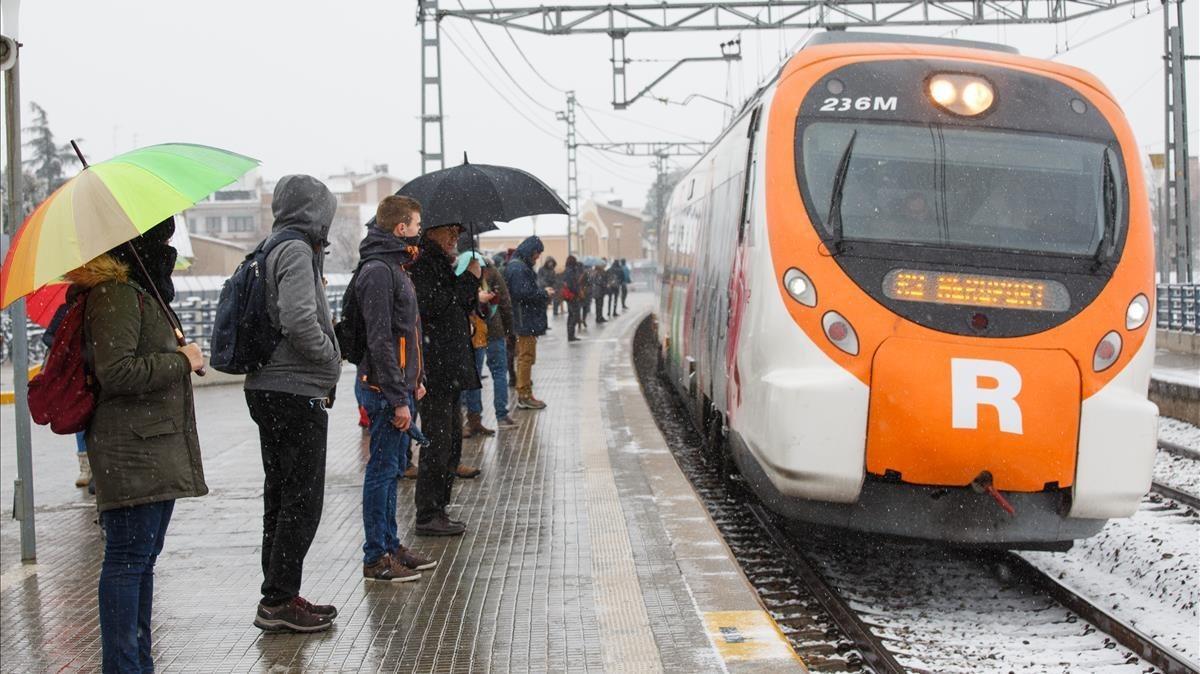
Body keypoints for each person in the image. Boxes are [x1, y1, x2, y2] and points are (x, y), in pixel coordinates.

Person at [66, 217, 208, 672]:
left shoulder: (140, 291)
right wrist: (178, 361)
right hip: (131, 451)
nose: (168, 246)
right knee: (128, 562)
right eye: (161, 237)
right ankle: (124, 667)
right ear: (138, 242)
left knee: (141, 562)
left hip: (149, 448)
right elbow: (117, 371)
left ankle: (137, 665)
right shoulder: (116, 295)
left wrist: (178, 358)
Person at [244, 175, 342, 633]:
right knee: (301, 500)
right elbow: (300, 319)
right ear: (314, 212)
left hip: (268, 387)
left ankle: (278, 594)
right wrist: (331, 356)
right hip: (293, 390)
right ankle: (280, 600)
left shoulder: (271, 247)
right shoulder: (297, 251)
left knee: (281, 496)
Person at [354, 195, 437, 582]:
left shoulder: (395, 266)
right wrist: (396, 395)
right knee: (382, 473)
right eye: (416, 225)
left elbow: (407, 334)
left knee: (390, 470)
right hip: (384, 390)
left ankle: (390, 545)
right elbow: (381, 340)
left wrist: (414, 381)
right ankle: (376, 556)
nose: (419, 231)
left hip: (398, 388)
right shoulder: (379, 271)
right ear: (400, 228)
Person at [409, 222, 482, 536]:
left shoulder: (441, 265)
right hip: (437, 370)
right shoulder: (424, 265)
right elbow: (434, 305)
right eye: (450, 231)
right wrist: (467, 278)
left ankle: (440, 507)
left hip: (448, 368)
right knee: (438, 442)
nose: (456, 237)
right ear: (430, 233)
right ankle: (428, 513)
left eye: (458, 232)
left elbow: (460, 302)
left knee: (450, 440)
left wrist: (467, 279)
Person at [462, 254, 517, 436]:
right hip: (493, 330)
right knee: (499, 373)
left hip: (473, 331)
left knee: (474, 377)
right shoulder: (492, 273)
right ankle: (501, 415)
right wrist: (509, 330)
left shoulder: (460, 272)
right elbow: (506, 303)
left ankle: (474, 419)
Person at [503, 236, 552, 410]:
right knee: (526, 357)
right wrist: (544, 293)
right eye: (537, 253)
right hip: (524, 320)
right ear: (531, 251)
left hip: (524, 319)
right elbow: (523, 294)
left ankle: (525, 391)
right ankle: (524, 394)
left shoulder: (517, 265)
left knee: (525, 357)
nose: (538, 257)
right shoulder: (518, 268)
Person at [561, 256, 586, 342]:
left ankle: (570, 335)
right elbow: (572, 285)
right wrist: (578, 292)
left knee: (571, 315)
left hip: (569, 296)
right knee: (574, 316)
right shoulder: (570, 271)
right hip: (572, 296)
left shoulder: (567, 270)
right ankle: (571, 336)